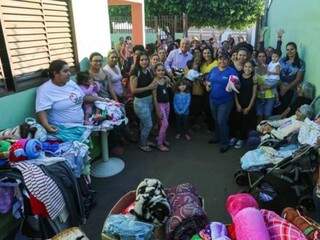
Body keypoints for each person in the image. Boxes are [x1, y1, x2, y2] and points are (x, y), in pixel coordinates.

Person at [36, 60, 105, 134]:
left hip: (80, 125)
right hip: (63, 129)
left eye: (69, 71)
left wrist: (102, 99)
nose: (69, 74)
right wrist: (47, 126)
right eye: (65, 71)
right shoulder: (44, 89)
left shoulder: (70, 83)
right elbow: (41, 110)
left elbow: (83, 97)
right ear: (55, 73)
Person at [206, 52, 238, 153]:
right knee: (216, 119)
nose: (222, 61)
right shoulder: (213, 70)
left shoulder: (231, 71)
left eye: (224, 59)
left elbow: (238, 85)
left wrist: (235, 86)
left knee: (221, 121)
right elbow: (207, 81)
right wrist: (207, 85)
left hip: (225, 101)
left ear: (228, 61)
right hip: (212, 99)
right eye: (220, 59)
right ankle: (217, 137)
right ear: (218, 60)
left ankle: (225, 143)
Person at [130, 52, 158, 152]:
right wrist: (149, 87)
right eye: (142, 60)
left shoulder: (149, 70)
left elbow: (155, 79)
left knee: (143, 123)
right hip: (140, 102)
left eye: (146, 59)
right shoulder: (135, 72)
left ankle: (144, 140)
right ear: (138, 61)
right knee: (148, 125)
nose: (144, 61)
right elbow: (133, 90)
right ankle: (142, 144)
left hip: (149, 100)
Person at [234, 60, 257, 148]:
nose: (248, 68)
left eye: (250, 67)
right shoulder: (238, 76)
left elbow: (254, 95)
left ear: (253, 68)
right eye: (246, 66)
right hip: (239, 103)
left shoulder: (254, 79)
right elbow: (235, 91)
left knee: (245, 122)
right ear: (243, 68)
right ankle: (235, 137)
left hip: (248, 104)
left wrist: (249, 107)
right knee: (237, 121)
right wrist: (237, 104)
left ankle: (242, 139)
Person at [277, 42, 305, 113]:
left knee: (284, 108)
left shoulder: (300, 63)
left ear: (296, 50)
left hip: (291, 89)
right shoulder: (282, 60)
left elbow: (298, 79)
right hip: (279, 86)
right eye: (287, 49)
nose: (289, 52)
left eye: (292, 49)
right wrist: (281, 85)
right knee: (276, 107)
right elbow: (277, 74)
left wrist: (286, 88)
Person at [153, 63, 171, 151]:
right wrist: (157, 110)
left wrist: (168, 79)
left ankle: (163, 139)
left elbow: (170, 87)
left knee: (163, 124)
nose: (161, 72)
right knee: (165, 124)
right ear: (155, 71)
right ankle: (159, 144)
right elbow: (155, 97)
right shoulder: (155, 82)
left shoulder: (165, 79)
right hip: (160, 105)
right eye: (159, 70)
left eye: (163, 70)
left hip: (167, 104)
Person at [255, 51, 276, 123]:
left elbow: (278, 81)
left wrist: (267, 86)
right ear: (257, 58)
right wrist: (257, 86)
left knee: (267, 116)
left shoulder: (271, 67)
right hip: (258, 95)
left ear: (266, 57)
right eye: (259, 56)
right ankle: (258, 132)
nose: (261, 58)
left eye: (263, 56)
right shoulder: (254, 69)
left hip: (270, 95)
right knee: (259, 115)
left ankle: (265, 133)